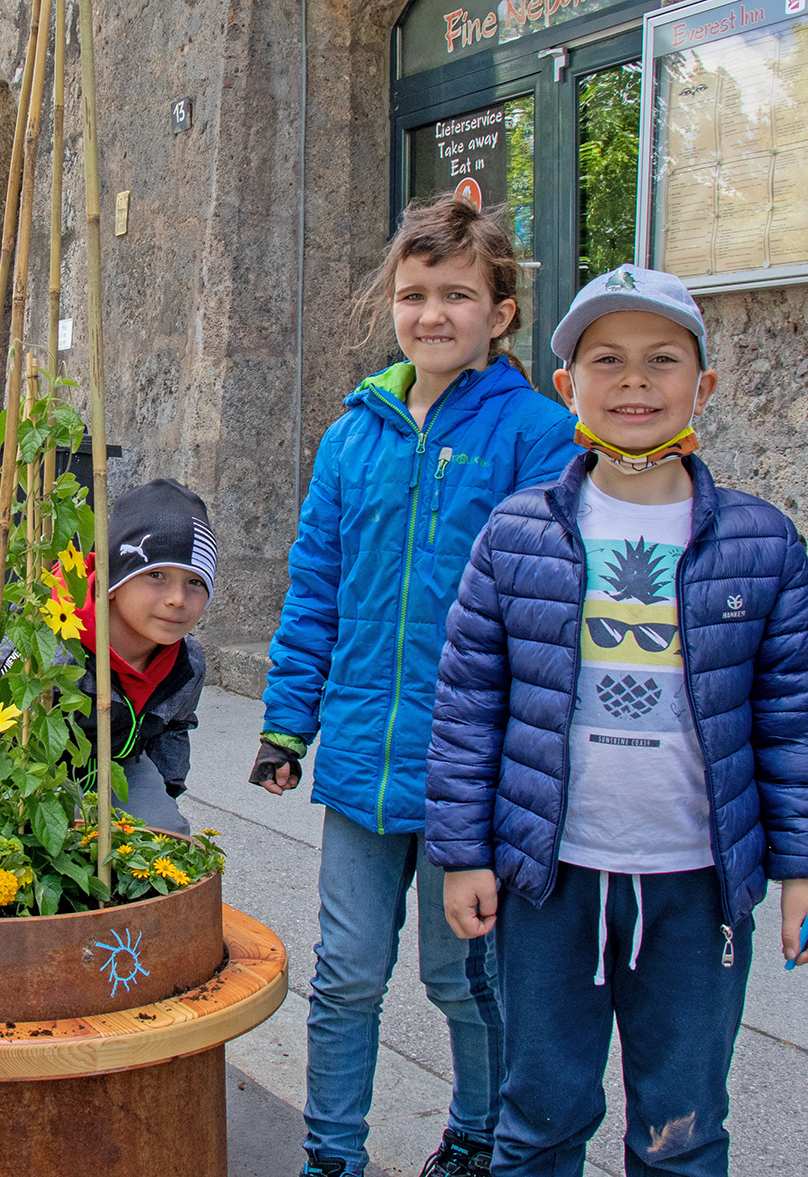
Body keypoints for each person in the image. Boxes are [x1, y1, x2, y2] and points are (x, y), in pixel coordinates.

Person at [425, 264, 808, 1176]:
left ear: (705, 385)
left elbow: (795, 719)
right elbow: (467, 710)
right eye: (606, 360)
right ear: (568, 387)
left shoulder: (760, 541)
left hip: (696, 884)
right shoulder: (516, 534)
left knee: (682, 1126)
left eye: (662, 359)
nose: (635, 381)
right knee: (536, 1113)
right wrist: (462, 853)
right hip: (549, 879)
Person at [252, 195, 582, 1177]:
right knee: (344, 976)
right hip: (359, 756)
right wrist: (285, 723)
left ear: (500, 311)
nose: (430, 313)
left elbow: (549, 617)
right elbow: (314, 585)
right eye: (412, 294)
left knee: (459, 979)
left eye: (455, 294)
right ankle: (329, 1156)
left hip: (468, 775)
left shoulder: (537, 434)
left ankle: (477, 1134)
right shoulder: (351, 435)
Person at [56, 478, 216, 834]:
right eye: (156, 575)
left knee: (165, 838)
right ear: (111, 583)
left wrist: (165, 791)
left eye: (195, 582)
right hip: (34, 770)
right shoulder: (54, 642)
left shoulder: (187, 663)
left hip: (119, 765)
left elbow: (175, 727)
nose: (177, 599)